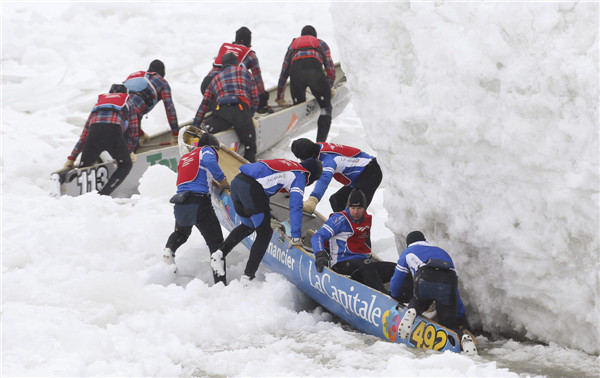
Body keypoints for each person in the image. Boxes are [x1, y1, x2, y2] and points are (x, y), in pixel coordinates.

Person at [209, 158, 323, 284]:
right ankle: (248, 277)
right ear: (311, 175)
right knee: (265, 233)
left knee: (248, 225)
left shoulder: (288, 164)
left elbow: (265, 184)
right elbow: (296, 206)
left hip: (237, 182)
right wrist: (296, 237)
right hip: (251, 190)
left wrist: (265, 214)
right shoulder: (300, 175)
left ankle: (219, 254)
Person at [388, 231, 477, 355]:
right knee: (449, 325)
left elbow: (397, 279)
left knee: (420, 300)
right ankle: (462, 338)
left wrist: (394, 296)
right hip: (447, 282)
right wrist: (459, 315)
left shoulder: (408, 252)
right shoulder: (442, 252)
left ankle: (413, 310)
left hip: (425, 278)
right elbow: (454, 289)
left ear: (408, 243)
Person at [162, 131, 230, 284]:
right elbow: (210, 162)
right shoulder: (206, 150)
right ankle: (220, 284)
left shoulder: (186, 157)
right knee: (216, 244)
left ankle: (169, 249)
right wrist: (222, 180)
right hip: (199, 202)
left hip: (181, 202)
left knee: (181, 234)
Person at [310, 189, 396, 294]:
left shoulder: (367, 219)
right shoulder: (339, 219)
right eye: (353, 208)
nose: (355, 212)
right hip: (341, 264)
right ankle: (384, 299)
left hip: (362, 265)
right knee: (367, 266)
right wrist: (320, 255)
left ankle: (405, 300)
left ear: (364, 208)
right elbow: (317, 236)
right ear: (348, 207)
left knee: (396, 269)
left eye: (359, 208)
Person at [64, 84, 140, 196]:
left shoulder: (99, 105)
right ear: (125, 94)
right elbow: (133, 130)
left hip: (93, 133)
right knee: (125, 165)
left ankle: (68, 182)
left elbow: (84, 134)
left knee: (85, 168)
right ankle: (103, 195)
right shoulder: (128, 102)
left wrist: (71, 158)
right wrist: (130, 151)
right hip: (113, 133)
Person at [192, 53, 259, 162]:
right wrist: (248, 117)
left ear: (223, 66)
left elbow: (204, 105)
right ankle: (248, 169)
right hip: (241, 110)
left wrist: (195, 125)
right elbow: (255, 98)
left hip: (222, 112)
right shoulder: (245, 73)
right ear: (237, 64)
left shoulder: (216, 79)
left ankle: (200, 136)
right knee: (250, 147)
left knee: (206, 128)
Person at [275, 25, 336, 142]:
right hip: (315, 72)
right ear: (315, 36)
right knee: (325, 108)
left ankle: (298, 143)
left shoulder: (292, 46)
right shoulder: (320, 44)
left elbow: (284, 74)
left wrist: (280, 98)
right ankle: (320, 143)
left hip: (296, 75)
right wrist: (329, 87)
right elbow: (330, 70)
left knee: (300, 109)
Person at [291, 138, 383, 213]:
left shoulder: (329, 160)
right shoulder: (317, 147)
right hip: (362, 175)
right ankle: (345, 229)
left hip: (370, 172)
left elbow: (323, 179)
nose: (301, 161)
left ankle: (355, 232)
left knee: (355, 211)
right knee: (337, 201)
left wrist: (312, 201)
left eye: (301, 159)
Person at [201, 26, 270, 113]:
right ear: (249, 41)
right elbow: (258, 82)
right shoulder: (250, 55)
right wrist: (262, 101)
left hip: (206, 84)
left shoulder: (225, 47)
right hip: (223, 87)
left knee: (214, 110)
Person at [123, 59, 179, 146]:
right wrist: (176, 134)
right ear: (162, 72)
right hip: (133, 115)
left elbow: (131, 107)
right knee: (130, 153)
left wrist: (141, 134)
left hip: (118, 113)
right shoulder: (163, 83)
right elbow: (170, 109)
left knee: (123, 148)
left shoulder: (139, 78)